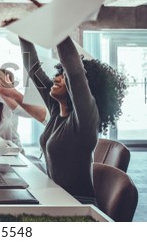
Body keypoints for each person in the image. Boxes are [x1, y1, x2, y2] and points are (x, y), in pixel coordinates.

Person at [12, 32, 127, 204]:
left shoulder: (85, 118)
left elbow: (75, 72)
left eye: (63, 76)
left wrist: (58, 27)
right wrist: (23, 33)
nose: (56, 78)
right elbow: (33, 69)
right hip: (56, 198)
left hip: (78, 204)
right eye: (58, 73)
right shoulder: (55, 108)